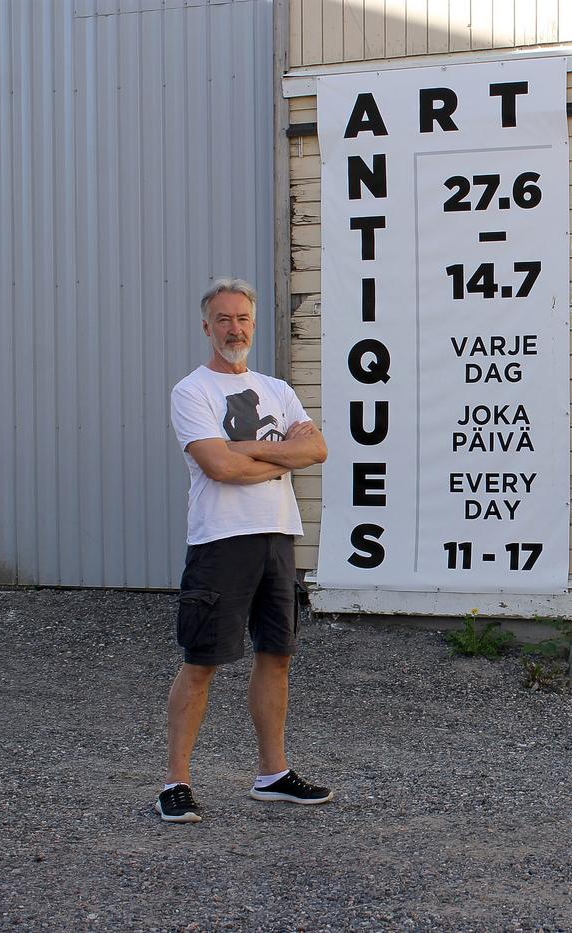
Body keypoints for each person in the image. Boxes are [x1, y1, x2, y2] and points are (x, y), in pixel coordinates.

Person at [157, 278, 332, 823]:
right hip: (220, 541)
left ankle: (272, 774)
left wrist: (252, 448)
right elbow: (219, 467)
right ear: (206, 326)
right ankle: (176, 783)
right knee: (203, 661)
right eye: (224, 319)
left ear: (254, 325)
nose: (235, 328)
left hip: (277, 537)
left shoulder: (277, 388)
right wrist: (283, 454)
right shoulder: (192, 391)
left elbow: (318, 448)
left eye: (243, 319)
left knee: (276, 655)